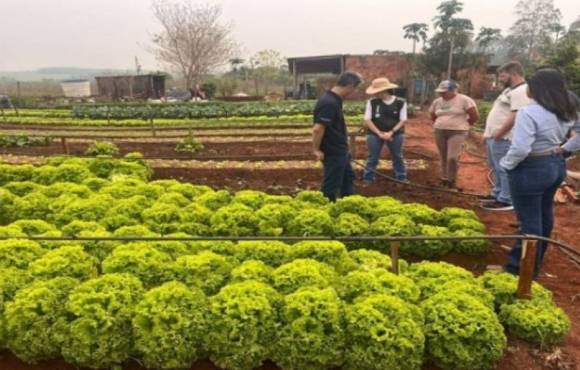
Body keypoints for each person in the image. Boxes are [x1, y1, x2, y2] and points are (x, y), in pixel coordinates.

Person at [500, 68, 578, 278]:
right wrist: (565, 149)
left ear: (537, 89)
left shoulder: (529, 112)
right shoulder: (566, 109)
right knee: (544, 215)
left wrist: (506, 164)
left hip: (531, 167)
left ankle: (520, 270)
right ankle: (534, 264)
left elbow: (520, 148)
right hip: (555, 165)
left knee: (529, 221)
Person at [480, 62, 532, 211]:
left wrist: (500, 133)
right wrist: (487, 134)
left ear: (514, 74)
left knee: (503, 168)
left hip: (504, 137)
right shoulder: (509, 90)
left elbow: (516, 114)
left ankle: (505, 199)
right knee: (496, 167)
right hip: (495, 137)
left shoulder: (522, 90)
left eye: (503, 75)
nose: (500, 78)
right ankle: (497, 194)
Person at [312, 71, 363, 202]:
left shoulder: (335, 100)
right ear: (350, 85)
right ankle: (326, 212)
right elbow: (318, 129)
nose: (354, 92)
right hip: (333, 151)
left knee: (347, 179)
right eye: (355, 88)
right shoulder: (329, 102)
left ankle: (347, 206)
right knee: (331, 185)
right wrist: (316, 149)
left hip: (341, 151)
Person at [429, 80, 479, 190]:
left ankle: (452, 181)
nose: (441, 94)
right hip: (440, 131)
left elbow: (474, 116)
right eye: (440, 92)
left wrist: (464, 125)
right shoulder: (437, 102)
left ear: (454, 90)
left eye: (444, 92)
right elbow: (432, 115)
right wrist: (440, 124)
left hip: (457, 132)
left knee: (452, 157)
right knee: (443, 155)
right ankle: (444, 178)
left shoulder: (465, 100)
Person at [362, 77, 408, 183]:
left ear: (385, 90)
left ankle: (401, 177)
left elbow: (402, 120)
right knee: (373, 156)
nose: (376, 94)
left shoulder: (400, 102)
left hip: (395, 134)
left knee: (397, 155)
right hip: (374, 133)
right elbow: (368, 120)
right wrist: (379, 133)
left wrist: (391, 132)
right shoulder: (372, 102)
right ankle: (368, 178)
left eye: (378, 92)